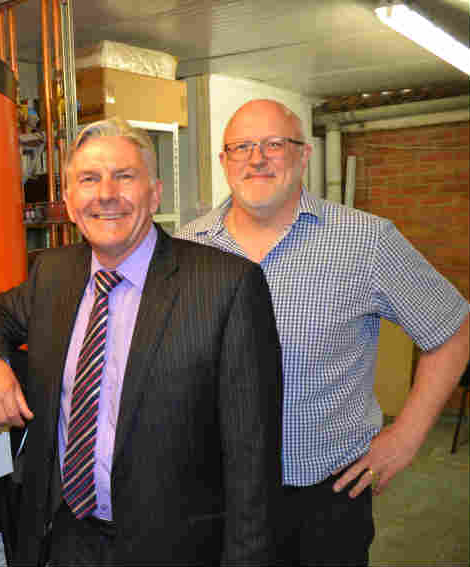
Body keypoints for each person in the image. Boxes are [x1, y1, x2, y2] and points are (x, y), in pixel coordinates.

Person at [0, 117, 284, 565]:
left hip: (172, 550)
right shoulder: (53, 274)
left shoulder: (226, 286)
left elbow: (253, 464)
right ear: (71, 202)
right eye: (89, 179)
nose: (106, 193)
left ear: (154, 193)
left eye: (124, 176)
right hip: (63, 535)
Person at [176, 98, 470, 565]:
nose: (257, 159)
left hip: (324, 502)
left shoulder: (366, 241)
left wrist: (408, 434)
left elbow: (454, 329)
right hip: (213, 498)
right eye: (241, 147)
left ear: (304, 154)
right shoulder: (185, 248)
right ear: (224, 161)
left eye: (274, 144)